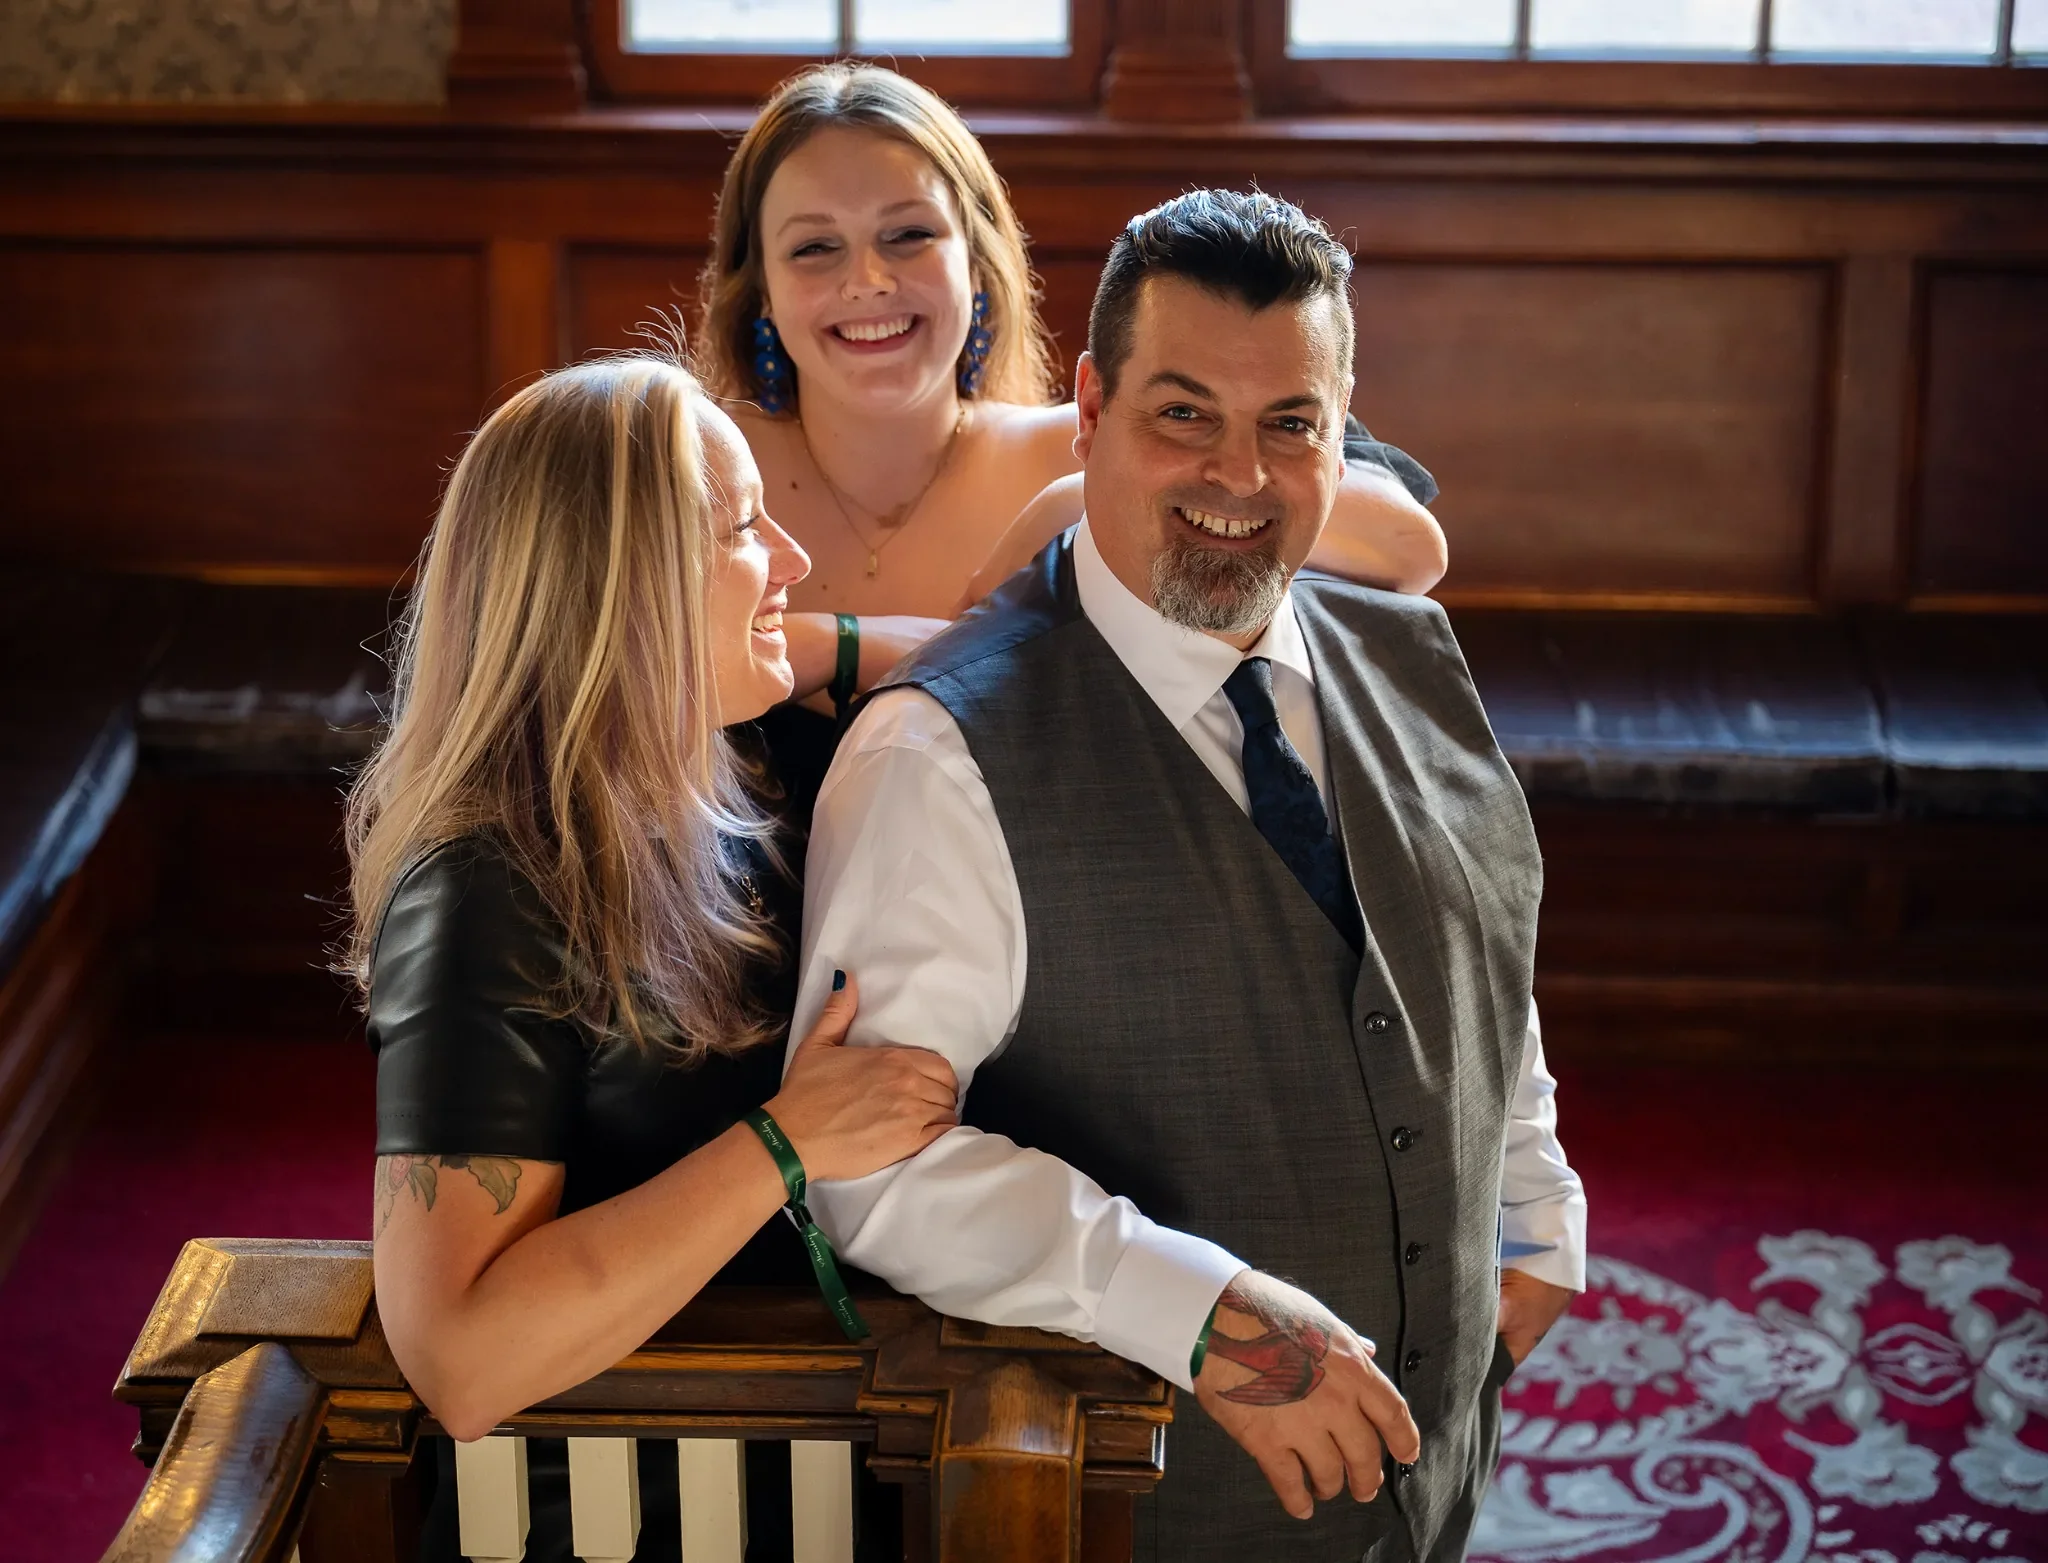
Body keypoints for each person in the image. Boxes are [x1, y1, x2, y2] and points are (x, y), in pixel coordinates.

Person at [790, 190, 1588, 1561]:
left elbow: (1474, 950)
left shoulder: (1411, 653)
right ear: (1090, 407)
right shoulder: (937, 754)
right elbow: (870, 1166)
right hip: (1144, 1499)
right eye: (1183, 414)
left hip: (1432, 1462)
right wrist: (1188, 1303)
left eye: (1292, 424)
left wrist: (1532, 1199)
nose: (1240, 477)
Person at [344, 356, 957, 1560]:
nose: (788, 556)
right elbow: (463, 1357)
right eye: (741, 530)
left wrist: (814, 640)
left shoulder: (745, 756)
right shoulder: (484, 886)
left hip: (822, 1444)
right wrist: (784, 1143)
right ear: (621, 586)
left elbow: (996, 656)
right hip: (622, 1504)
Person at [693, 63, 1449, 732]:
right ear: (758, 286)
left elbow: (1410, 549)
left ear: (979, 262)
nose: (869, 281)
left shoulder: (1096, 450)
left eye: (909, 235)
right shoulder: (691, 466)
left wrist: (1073, 503)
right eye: (815, 247)